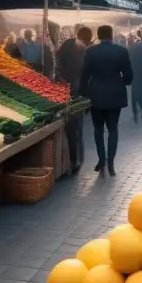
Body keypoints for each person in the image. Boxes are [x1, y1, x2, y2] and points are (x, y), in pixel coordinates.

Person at [78, 24, 133, 177]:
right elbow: (129, 77)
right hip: (115, 94)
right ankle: (111, 163)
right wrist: (120, 81)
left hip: (96, 94)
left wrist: (82, 93)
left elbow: (84, 75)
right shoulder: (121, 51)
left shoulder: (90, 52)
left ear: (99, 35)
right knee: (113, 129)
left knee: (98, 129)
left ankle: (101, 159)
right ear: (111, 35)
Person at [57, 26, 93, 174]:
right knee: (77, 127)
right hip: (80, 93)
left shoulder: (70, 45)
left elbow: (57, 64)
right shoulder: (87, 50)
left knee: (72, 128)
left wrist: (60, 78)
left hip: (69, 92)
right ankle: (77, 159)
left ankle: (74, 161)